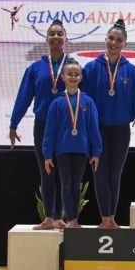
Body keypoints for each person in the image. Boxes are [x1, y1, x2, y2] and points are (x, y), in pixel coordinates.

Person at [80, 19, 135, 228]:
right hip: (97, 131)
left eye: (119, 40)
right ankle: (104, 218)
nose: (114, 43)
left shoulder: (131, 71)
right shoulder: (91, 69)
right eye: (111, 38)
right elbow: (82, 101)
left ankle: (111, 218)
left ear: (125, 43)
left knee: (115, 174)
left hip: (121, 131)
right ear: (105, 39)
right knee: (100, 173)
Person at [9, 19, 69, 230]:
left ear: (66, 38)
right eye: (52, 34)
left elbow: (85, 98)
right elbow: (23, 97)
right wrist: (14, 123)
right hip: (43, 126)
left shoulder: (73, 67)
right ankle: (49, 217)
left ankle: (61, 217)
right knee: (47, 172)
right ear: (46, 38)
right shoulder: (35, 68)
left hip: (67, 126)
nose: (55, 37)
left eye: (59, 34)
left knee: (64, 172)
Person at [42, 59, 101, 228]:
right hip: (63, 151)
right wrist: (47, 154)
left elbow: (93, 128)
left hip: (81, 150)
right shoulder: (57, 103)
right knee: (66, 185)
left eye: (76, 74)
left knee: (76, 185)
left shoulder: (88, 102)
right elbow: (50, 131)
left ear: (81, 77)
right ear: (63, 77)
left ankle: (75, 220)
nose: (73, 77)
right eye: (70, 74)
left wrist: (96, 152)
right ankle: (69, 220)